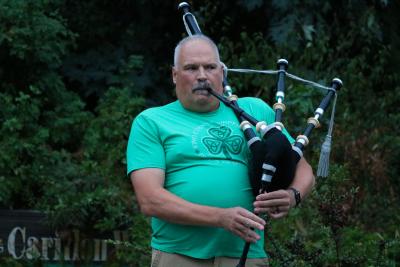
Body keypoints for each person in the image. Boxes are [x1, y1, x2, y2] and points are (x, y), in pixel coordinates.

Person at [126, 34, 315, 267]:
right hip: (179, 256)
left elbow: (303, 168)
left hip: (246, 255)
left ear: (222, 72)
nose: (202, 75)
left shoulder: (254, 111)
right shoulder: (152, 121)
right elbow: (150, 200)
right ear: (175, 75)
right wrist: (220, 217)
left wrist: (292, 196)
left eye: (210, 67)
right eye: (191, 68)